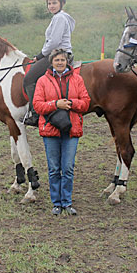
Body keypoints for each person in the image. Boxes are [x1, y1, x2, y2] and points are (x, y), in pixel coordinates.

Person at [33, 48, 90, 215]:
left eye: (62, 60)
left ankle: (67, 202)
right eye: (57, 60)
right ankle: (56, 203)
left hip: (71, 129)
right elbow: (37, 105)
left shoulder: (77, 80)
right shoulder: (42, 81)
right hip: (51, 129)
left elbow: (86, 102)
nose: (59, 63)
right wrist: (55, 105)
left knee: (68, 168)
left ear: (67, 62)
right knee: (53, 168)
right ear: (51, 62)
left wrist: (71, 103)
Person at [23, 0, 75, 126]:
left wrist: (40, 56)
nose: (51, 6)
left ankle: (35, 115)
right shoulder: (61, 17)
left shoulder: (59, 18)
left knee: (28, 79)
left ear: (62, 3)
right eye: (49, 3)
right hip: (61, 53)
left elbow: (54, 42)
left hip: (57, 54)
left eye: (54, 3)